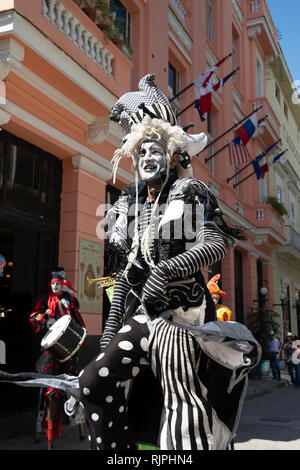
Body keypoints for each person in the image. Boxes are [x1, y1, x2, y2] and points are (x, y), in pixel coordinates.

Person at [0, 75, 260, 451]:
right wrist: (106, 337)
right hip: (143, 318)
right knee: (93, 383)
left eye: (155, 149)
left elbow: (215, 242)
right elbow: (124, 277)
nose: (148, 158)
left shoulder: (189, 191)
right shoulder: (130, 203)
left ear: (172, 154)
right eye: (141, 153)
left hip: (182, 319)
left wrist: (169, 270)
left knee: (182, 412)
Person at [30, 268, 86, 449]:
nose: (55, 286)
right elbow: (33, 317)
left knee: (72, 387)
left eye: (57, 283)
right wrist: (39, 318)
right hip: (51, 353)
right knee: (49, 390)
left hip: (69, 352)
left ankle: (79, 427)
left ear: (62, 284)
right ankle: (44, 432)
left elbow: (78, 321)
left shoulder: (70, 300)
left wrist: (80, 336)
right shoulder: (44, 300)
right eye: (52, 283)